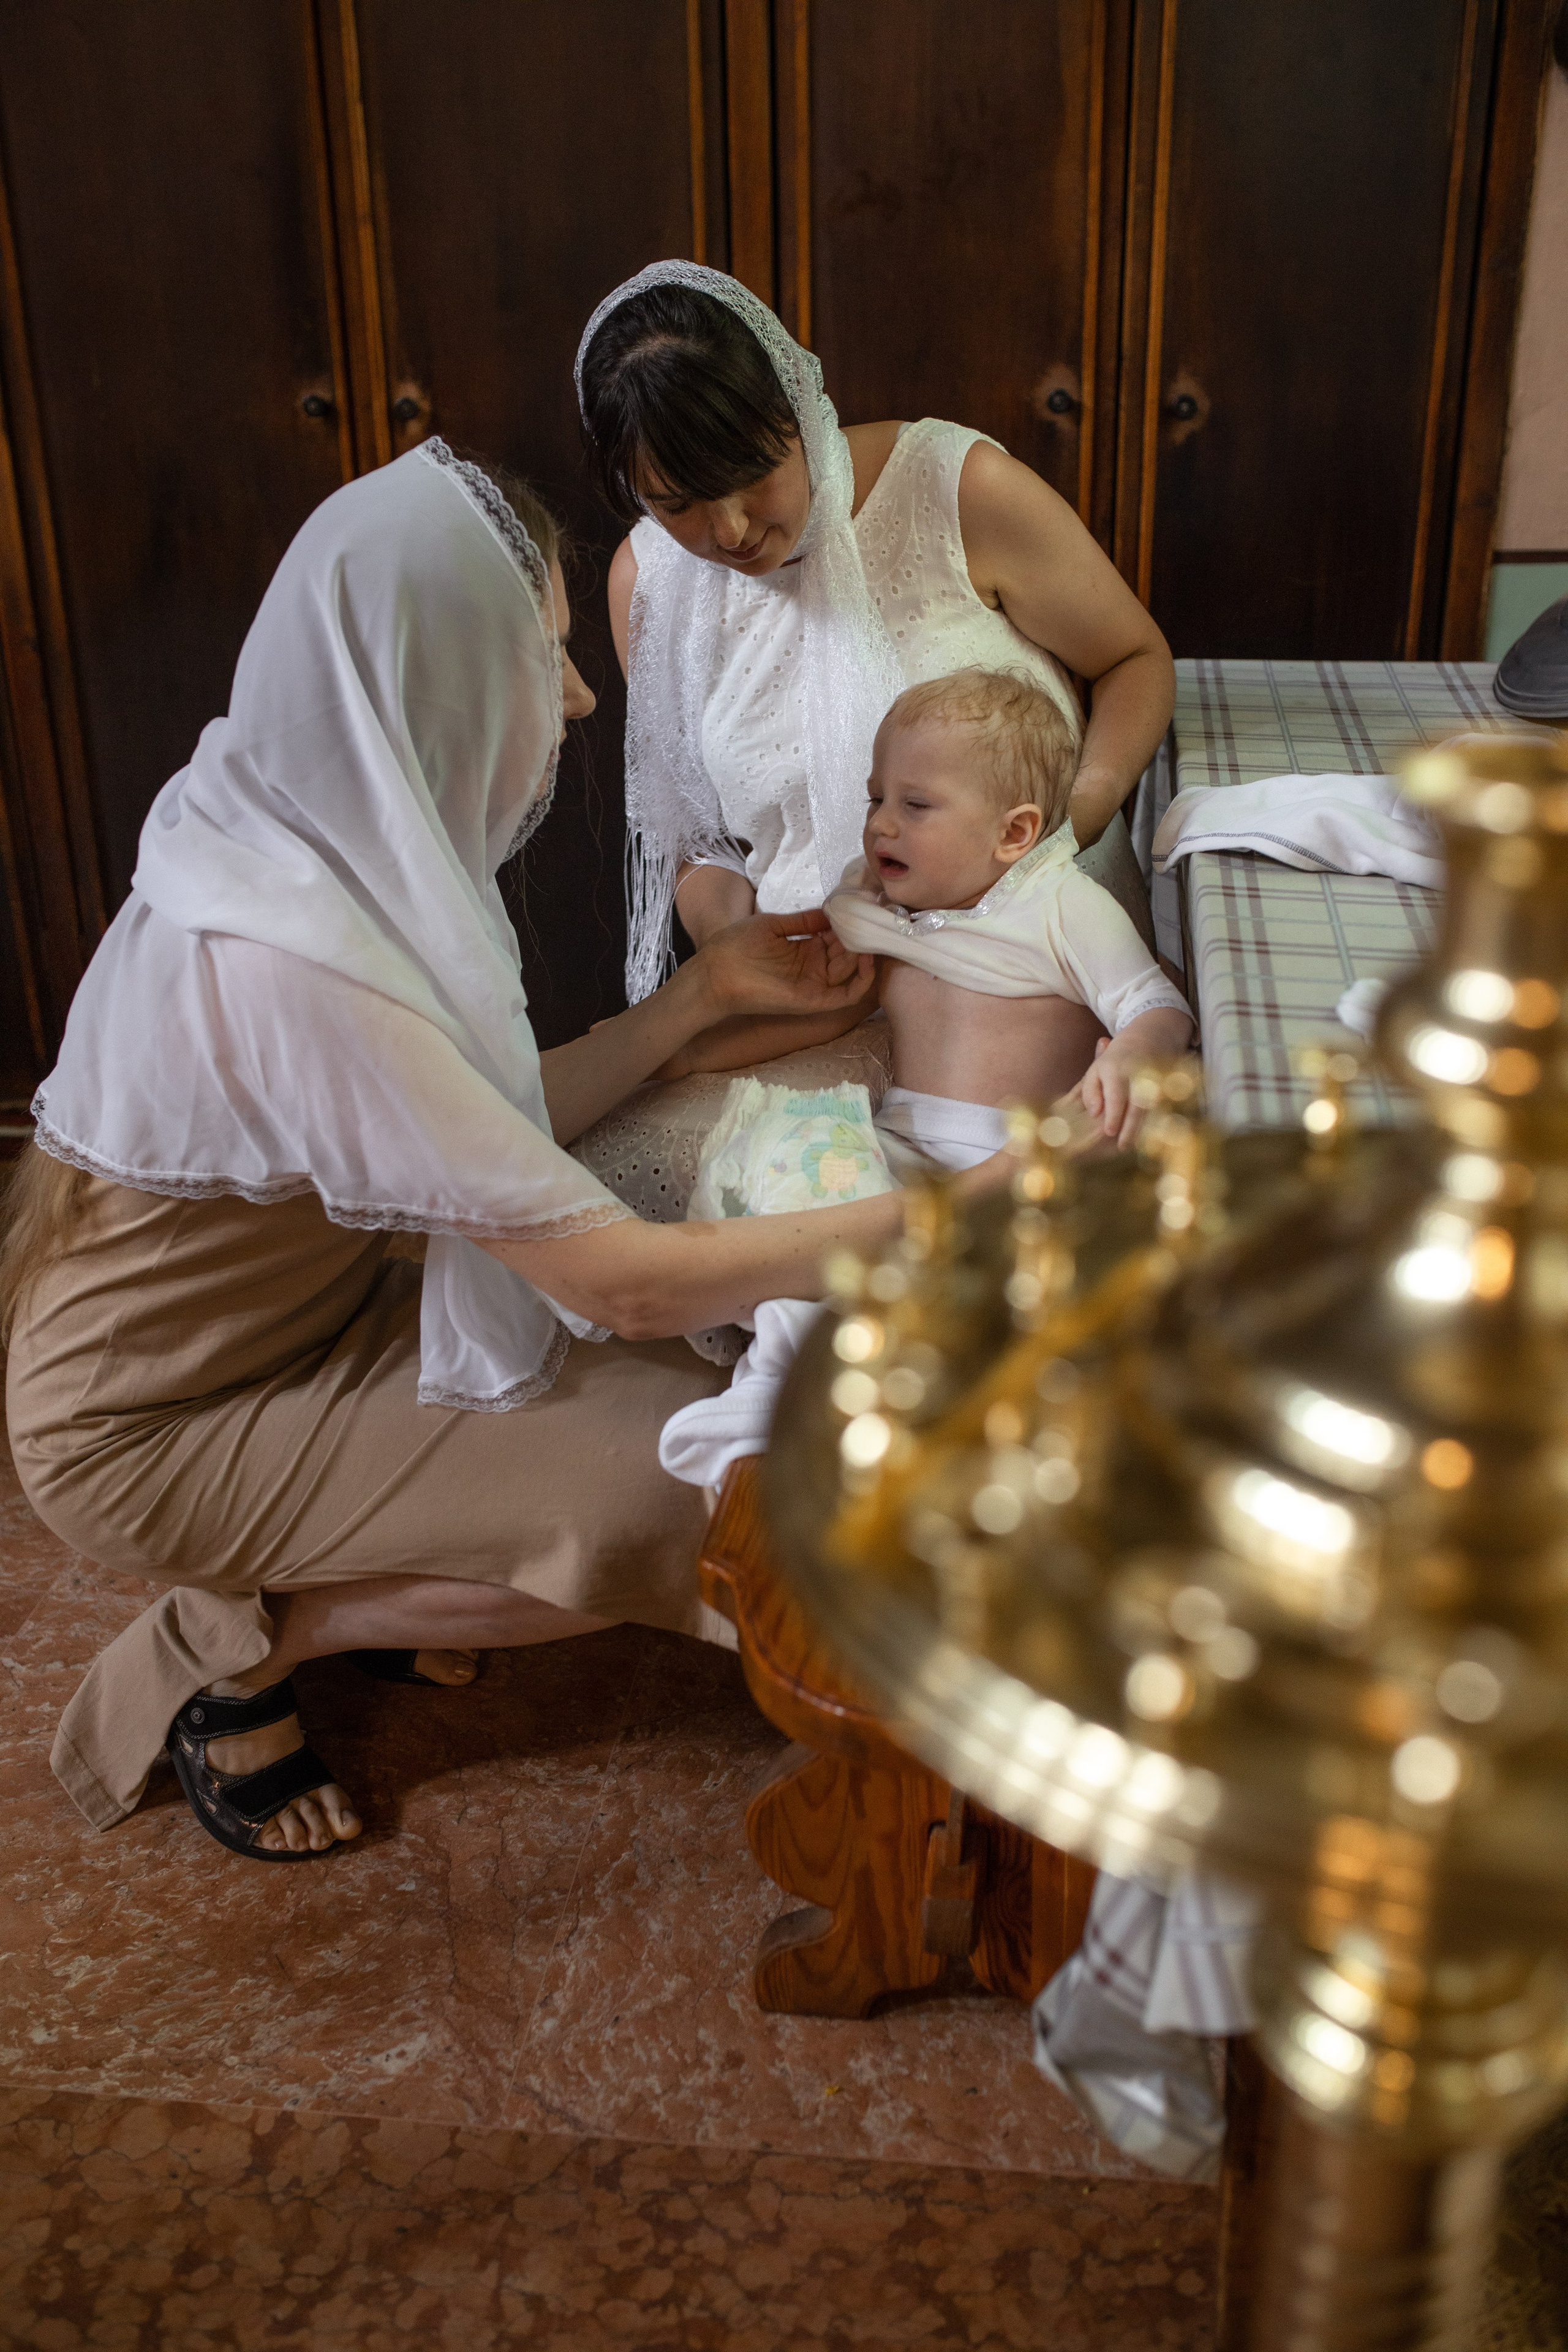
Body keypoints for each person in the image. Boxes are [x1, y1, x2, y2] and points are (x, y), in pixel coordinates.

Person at [1, 440, 1005, 1867]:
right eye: (546, 654)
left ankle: (345, 1557)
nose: (583, 692)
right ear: (434, 675)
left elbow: (462, 1117)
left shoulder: (293, 821)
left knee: (703, 1380)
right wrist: (962, 1212)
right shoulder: (298, 951)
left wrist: (695, 1004)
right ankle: (229, 1648)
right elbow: (628, 1286)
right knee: (690, 1484)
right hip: (150, 1423)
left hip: (293, 1311)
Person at [573, 260, 1175, 1149]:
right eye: (681, 504)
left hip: (1016, 982)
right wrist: (745, 952)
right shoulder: (650, 588)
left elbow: (1134, 659)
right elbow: (697, 842)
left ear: (798, 408)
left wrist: (1051, 837)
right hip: (819, 991)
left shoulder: (951, 488)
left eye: (754, 474)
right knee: (597, 1178)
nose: (733, 529)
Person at [658, 667, 1192, 1491]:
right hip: (901, 1148)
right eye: (877, 799)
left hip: (1020, 1169)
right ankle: (780, 1381)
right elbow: (825, 1001)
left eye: (916, 806)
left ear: (1013, 835)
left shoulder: (1060, 907)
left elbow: (1157, 1005)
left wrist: (1129, 1051)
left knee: (1017, 1294)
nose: (880, 826)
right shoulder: (879, 907)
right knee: (810, 1189)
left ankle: (911, 1398)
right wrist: (689, 1048)